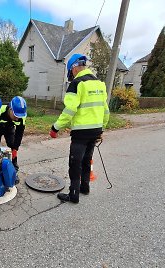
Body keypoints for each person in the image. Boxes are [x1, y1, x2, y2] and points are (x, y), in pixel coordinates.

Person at [49, 54, 110, 204]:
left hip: (81, 133)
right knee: (87, 160)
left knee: (75, 163)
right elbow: (106, 111)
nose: (72, 74)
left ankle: (73, 194)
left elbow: (70, 110)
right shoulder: (100, 84)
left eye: (71, 71)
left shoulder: (77, 84)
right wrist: (102, 129)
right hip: (96, 130)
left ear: (74, 68)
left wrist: (55, 128)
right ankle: (85, 187)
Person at [0, 96, 27, 176]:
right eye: (15, 116)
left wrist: (15, 148)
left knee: (12, 145)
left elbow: (19, 133)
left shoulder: (22, 116)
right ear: (10, 109)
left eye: (19, 117)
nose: (17, 119)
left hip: (9, 128)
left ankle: (14, 163)